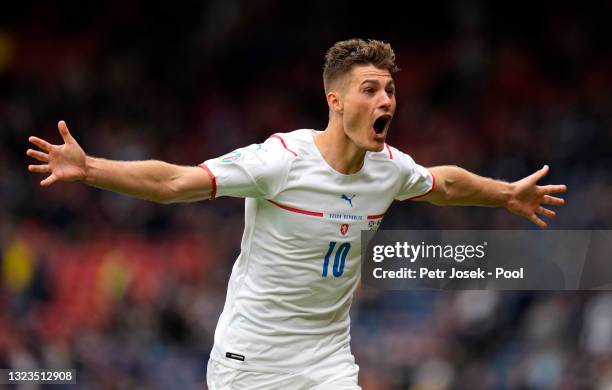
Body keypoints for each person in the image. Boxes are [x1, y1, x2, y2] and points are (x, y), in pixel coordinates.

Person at [27, 39, 566, 389]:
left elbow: (442, 183)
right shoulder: (280, 161)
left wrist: (505, 194)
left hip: (327, 363)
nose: (386, 101)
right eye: (370, 90)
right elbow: (173, 182)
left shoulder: (389, 167)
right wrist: (91, 167)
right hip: (251, 364)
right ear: (335, 101)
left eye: (391, 90)